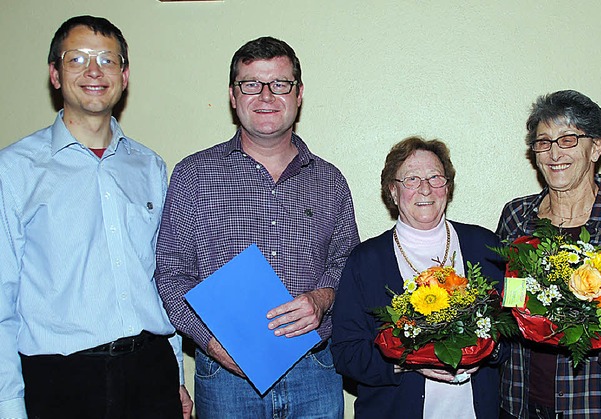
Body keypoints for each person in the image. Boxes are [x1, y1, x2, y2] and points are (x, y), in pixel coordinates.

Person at [154, 36, 360, 418]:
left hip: (314, 369)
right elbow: (170, 273)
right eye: (251, 84)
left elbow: (346, 262)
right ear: (233, 96)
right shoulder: (193, 175)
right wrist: (211, 342)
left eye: (280, 84)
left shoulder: (330, 180)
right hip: (226, 374)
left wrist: (322, 299)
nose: (266, 96)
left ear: (299, 94)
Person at [0, 15, 192, 419]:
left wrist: (174, 374)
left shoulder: (151, 167)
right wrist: (8, 402)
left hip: (150, 371)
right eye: (77, 59)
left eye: (107, 60)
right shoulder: (15, 169)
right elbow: (3, 295)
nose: (94, 71)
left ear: (124, 76)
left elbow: (158, 276)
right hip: (60, 379)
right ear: (55, 74)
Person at [331, 136, 506, 419]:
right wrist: (408, 362)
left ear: (447, 187)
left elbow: (511, 332)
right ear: (393, 191)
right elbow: (346, 353)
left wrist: (489, 350)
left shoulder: (485, 246)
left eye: (435, 177)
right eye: (411, 179)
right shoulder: (366, 260)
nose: (425, 188)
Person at [497, 90, 601, 419]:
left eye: (568, 139)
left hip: (600, 402)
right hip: (520, 402)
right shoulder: (517, 216)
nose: (553, 153)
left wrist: (591, 328)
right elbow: (506, 302)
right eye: (544, 142)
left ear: (596, 147)